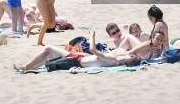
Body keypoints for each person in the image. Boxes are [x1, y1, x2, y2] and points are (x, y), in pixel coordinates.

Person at [13, 30, 142, 72]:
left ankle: (25, 68)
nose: (128, 53)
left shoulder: (113, 60)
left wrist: (92, 35)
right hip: (85, 57)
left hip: (79, 60)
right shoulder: (117, 61)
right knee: (50, 53)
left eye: (129, 55)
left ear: (126, 60)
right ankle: (29, 67)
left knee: (48, 49)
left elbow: (93, 49)